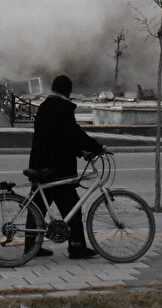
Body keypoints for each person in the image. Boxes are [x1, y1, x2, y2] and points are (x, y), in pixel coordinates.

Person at [26, 74, 106, 259]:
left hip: (40, 165)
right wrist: (97, 147)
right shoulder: (63, 108)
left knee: (36, 208)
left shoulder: (45, 106)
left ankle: (31, 246)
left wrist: (80, 151)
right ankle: (77, 246)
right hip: (58, 169)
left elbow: (59, 136)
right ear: (68, 92)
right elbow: (72, 133)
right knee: (72, 208)